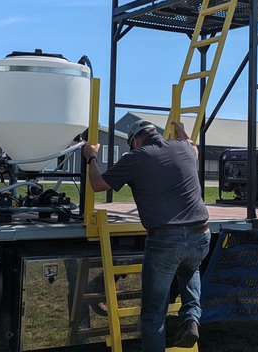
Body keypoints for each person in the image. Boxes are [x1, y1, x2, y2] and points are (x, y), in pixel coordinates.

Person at [84, 120, 210, 351]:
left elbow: (98, 184)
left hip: (165, 240)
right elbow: (195, 148)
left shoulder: (137, 157)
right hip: (200, 235)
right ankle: (191, 318)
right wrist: (183, 133)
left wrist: (91, 157)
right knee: (189, 269)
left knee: (153, 312)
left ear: (136, 140)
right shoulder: (183, 147)